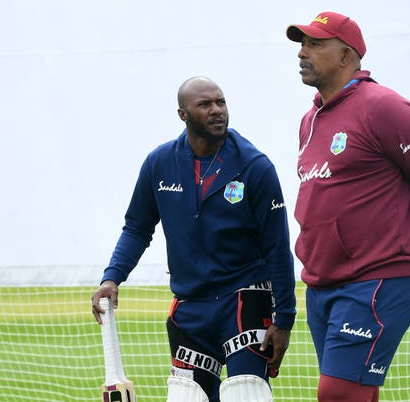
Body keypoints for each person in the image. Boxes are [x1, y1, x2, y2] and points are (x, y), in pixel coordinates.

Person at [285, 12, 410, 401]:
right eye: (302, 44)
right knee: (356, 391)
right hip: (323, 281)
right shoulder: (309, 119)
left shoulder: (384, 106)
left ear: (347, 55)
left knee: (336, 393)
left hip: (379, 276)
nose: (302, 53)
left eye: (315, 44)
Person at [91, 76, 296, 402]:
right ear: (183, 114)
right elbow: (137, 228)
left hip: (245, 301)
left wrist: (284, 319)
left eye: (221, 102)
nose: (217, 111)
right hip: (190, 306)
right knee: (188, 398)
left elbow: (277, 248)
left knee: (246, 394)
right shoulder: (159, 163)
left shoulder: (255, 166)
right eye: (205, 105)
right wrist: (112, 277)